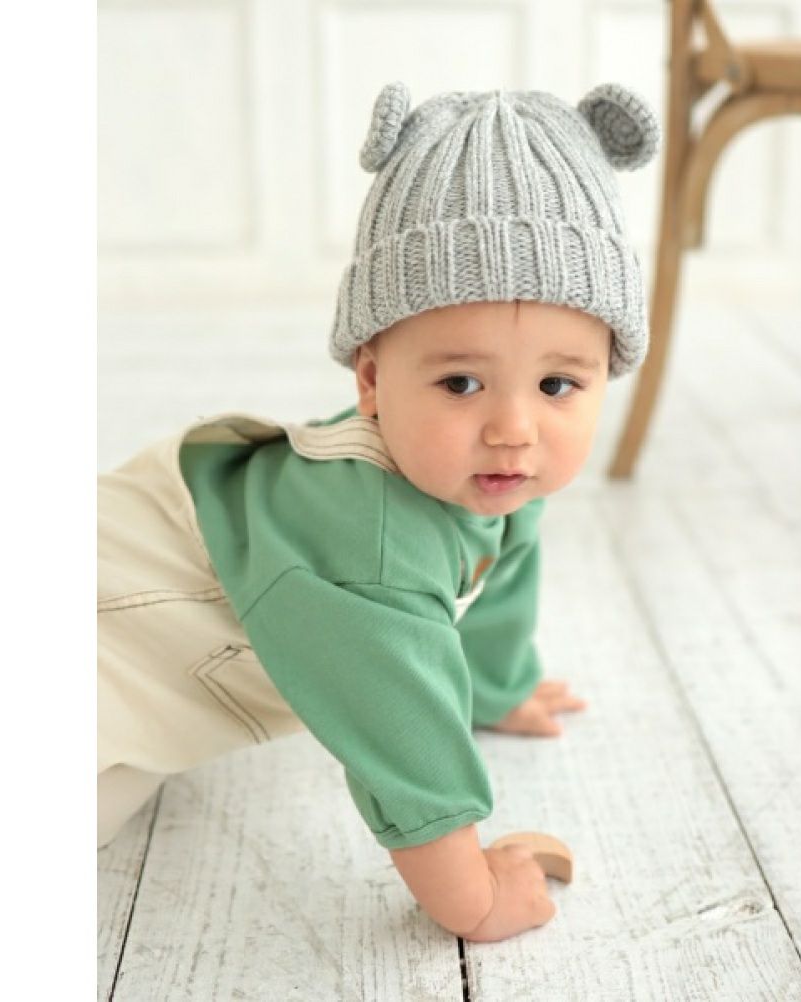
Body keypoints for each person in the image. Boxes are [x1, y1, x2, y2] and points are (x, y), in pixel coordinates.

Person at [97, 81, 659, 943]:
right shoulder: (375, 543)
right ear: (371, 380)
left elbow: (495, 574)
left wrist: (496, 686)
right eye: (460, 382)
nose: (513, 429)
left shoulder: (479, 478)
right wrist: (471, 897)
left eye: (557, 384)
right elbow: (402, 734)